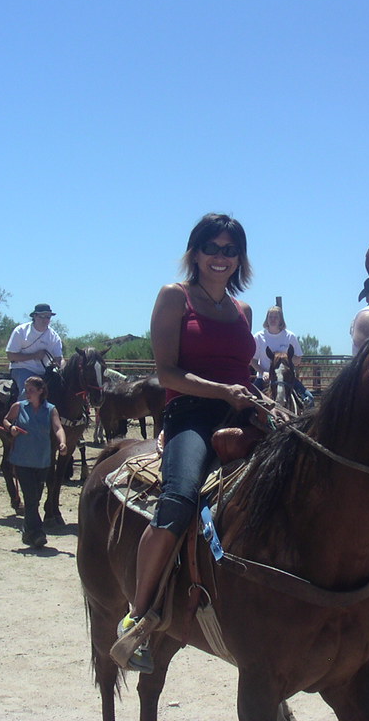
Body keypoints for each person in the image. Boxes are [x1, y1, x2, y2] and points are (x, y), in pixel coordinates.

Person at [111, 213, 256, 674]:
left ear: (240, 258)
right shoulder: (175, 298)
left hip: (243, 411)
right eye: (212, 247)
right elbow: (167, 372)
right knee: (178, 499)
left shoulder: (243, 311)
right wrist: (221, 392)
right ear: (195, 252)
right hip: (191, 415)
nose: (221, 256)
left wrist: (255, 396)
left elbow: (243, 372)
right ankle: (137, 616)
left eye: (230, 250)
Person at [3, 375, 67, 548]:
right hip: (22, 460)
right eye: (26, 389)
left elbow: (58, 427)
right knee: (31, 498)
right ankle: (38, 533)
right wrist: (11, 428)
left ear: (40, 391)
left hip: (43, 460)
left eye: (31, 390)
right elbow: (6, 420)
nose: (27, 393)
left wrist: (62, 442)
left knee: (35, 498)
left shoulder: (51, 409)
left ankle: (27, 530)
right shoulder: (19, 407)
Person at [251, 306, 311, 404]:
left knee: (309, 399)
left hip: (288, 379)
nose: (273, 319)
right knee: (247, 402)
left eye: (276, 317)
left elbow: (298, 359)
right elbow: (253, 361)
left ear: (281, 320)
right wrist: (263, 373)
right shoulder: (259, 337)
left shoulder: (290, 336)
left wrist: (284, 360)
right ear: (267, 319)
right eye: (270, 317)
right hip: (264, 379)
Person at [6, 304, 64, 399]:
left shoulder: (54, 336)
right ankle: (22, 413)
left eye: (48, 317)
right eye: (42, 316)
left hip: (45, 372)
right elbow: (11, 356)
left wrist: (58, 364)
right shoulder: (21, 331)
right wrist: (34, 356)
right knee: (28, 393)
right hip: (22, 369)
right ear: (35, 316)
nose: (45, 320)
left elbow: (59, 357)